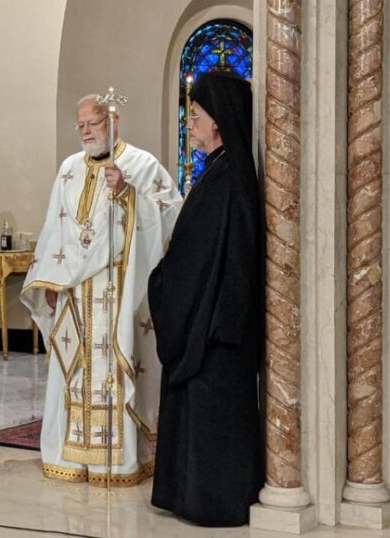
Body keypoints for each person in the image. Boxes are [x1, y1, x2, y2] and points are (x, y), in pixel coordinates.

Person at [21, 94, 182, 486]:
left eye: (92, 123)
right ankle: (71, 457)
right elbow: (54, 230)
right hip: (74, 294)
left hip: (118, 292)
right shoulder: (68, 170)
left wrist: (129, 195)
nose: (86, 132)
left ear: (114, 123)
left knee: (114, 368)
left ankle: (119, 460)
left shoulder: (142, 165)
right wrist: (52, 281)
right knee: (73, 368)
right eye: (80, 125)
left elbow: (172, 214)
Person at [148, 72, 264, 526]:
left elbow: (223, 259)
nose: (190, 124)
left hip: (217, 330)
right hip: (207, 323)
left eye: (195, 116)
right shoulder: (218, 172)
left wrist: (166, 282)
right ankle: (188, 494)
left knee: (216, 420)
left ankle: (214, 501)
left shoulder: (230, 178)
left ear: (218, 122)